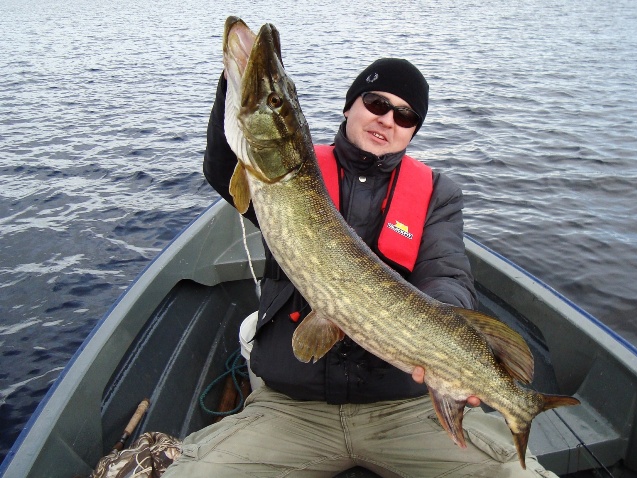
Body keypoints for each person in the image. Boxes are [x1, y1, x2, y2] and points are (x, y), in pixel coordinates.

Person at [163, 58, 555, 477]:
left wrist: (441, 346)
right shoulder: (287, 175)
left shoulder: (437, 194)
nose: (387, 120)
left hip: (403, 410)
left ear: (412, 131)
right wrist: (233, 88)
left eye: (405, 115)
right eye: (376, 102)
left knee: (518, 474)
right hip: (293, 410)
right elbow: (223, 168)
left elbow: (447, 274)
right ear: (350, 105)